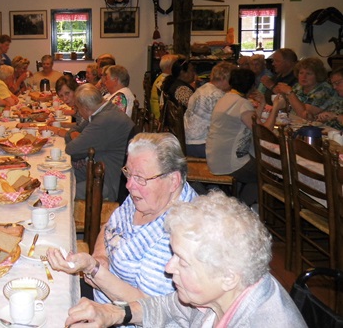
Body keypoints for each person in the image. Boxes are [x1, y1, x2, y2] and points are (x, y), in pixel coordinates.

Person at [64, 192, 306, 328]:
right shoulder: (219, 291)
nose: (169, 268)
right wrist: (114, 313)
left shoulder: (266, 321)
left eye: (182, 261)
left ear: (228, 277)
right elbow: (165, 307)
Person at [47, 133, 197, 307]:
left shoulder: (180, 230)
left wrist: (93, 268)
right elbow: (110, 226)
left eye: (140, 178)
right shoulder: (148, 197)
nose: (129, 185)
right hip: (101, 294)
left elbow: (147, 308)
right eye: (128, 173)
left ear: (173, 181)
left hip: (120, 318)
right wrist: (101, 256)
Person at [206, 68, 278, 206]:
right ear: (252, 87)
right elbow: (264, 133)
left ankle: (242, 204)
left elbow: (251, 122)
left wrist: (262, 104)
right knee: (269, 174)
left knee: (259, 169)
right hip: (229, 162)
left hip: (216, 156)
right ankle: (243, 208)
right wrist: (275, 108)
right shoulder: (241, 103)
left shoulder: (226, 98)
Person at [65, 84, 134, 200]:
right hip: (99, 166)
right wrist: (78, 137)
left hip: (109, 179)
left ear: (85, 108)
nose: (78, 112)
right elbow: (73, 131)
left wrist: (77, 138)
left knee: (66, 194)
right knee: (62, 176)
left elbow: (71, 150)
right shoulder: (103, 109)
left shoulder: (104, 120)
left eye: (78, 108)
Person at [183, 62, 234, 158]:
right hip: (201, 144)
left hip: (188, 142)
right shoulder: (216, 95)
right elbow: (228, 121)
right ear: (224, 78)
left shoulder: (202, 89)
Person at [274, 56, 338, 120]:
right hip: (294, 122)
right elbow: (287, 108)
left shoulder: (324, 90)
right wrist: (282, 94)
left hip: (320, 127)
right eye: (301, 73)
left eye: (309, 73)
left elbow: (304, 115)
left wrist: (290, 93)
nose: (303, 77)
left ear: (318, 75)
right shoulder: (298, 86)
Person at [150, 54, 179, 121]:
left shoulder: (160, 78)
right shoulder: (165, 81)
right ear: (170, 67)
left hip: (156, 114)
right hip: (160, 117)